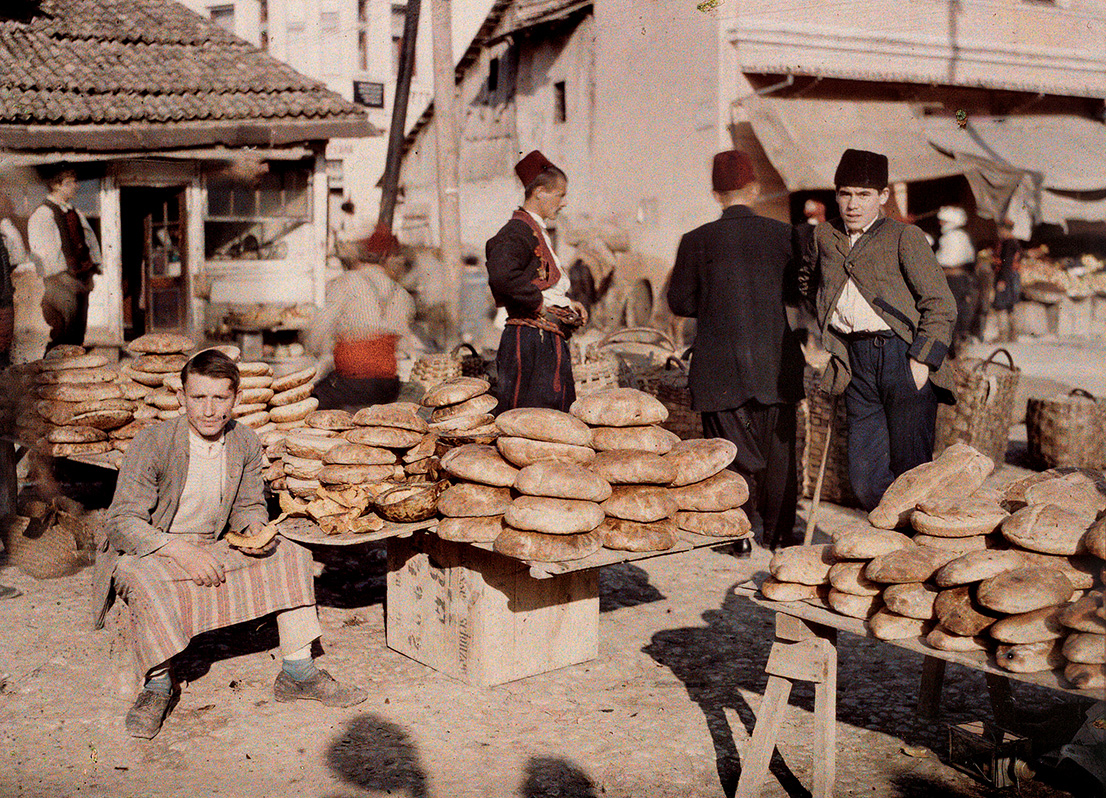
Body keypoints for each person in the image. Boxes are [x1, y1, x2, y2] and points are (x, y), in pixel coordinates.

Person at [95, 349, 365, 740]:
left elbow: (249, 505)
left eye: (220, 398)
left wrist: (255, 528)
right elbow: (122, 522)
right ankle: (157, 685)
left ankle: (298, 670)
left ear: (235, 399)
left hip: (213, 544)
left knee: (290, 554)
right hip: (153, 547)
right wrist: (178, 550)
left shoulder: (244, 441)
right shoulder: (152, 442)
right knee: (144, 579)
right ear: (181, 398)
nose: (208, 410)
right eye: (198, 397)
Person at [797, 149, 956, 511]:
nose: (853, 204)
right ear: (836, 195)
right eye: (845, 193)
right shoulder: (824, 236)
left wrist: (921, 363)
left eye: (864, 195)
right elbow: (806, 282)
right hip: (856, 363)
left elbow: (940, 304)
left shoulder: (905, 237)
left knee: (911, 475)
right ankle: (888, 545)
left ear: (883, 197)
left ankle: (911, 558)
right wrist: (829, 317)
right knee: (865, 480)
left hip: (903, 355)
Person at [667, 150, 805, 553]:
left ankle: (736, 534)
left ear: (715, 194)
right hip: (774, 360)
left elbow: (679, 302)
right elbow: (797, 294)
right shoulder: (783, 235)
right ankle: (778, 535)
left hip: (719, 362)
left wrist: (713, 301)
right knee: (779, 453)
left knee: (730, 450)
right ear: (755, 189)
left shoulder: (695, 240)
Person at [485, 150, 586, 414]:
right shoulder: (517, 231)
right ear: (539, 192)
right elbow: (502, 275)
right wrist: (539, 304)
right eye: (560, 195)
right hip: (530, 342)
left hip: (544, 340)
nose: (563, 203)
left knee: (555, 421)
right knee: (530, 419)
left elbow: (541, 280)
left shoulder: (535, 229)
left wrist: (567, 304)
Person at [306, 233, 415, 413]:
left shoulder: (347, 282)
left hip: (352, 382)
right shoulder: (402, 293)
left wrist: (315, 349)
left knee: (308, 403)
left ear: (358, 258)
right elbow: (404, 344)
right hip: (388, 387)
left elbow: (318, 329)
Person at [28, 164, 102, 350]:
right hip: (60, 281)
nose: (76, 186)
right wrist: (64, 278)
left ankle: (73, 369)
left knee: (78, 330)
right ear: (56, 186)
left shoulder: (73, 212)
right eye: (70, 183)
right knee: (63, 329)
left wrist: (92, 268)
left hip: (79, 278)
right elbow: (45, 254)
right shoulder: (44, 214)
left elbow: (88, 239)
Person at [934, 205, 977, 356]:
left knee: (951, 311)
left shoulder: (951, 237)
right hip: (961, 278)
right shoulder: (962, 236)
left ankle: (951, 346)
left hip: (953, 278)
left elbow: (946, 260)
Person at [991, 219, 1022, 343]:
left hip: (1006, 276)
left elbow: (1007, 263)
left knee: (1001, 305)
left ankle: (1003, 335)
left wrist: (1002, 280)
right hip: (1013, 276)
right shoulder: (1015, 242)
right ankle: (1013, 335)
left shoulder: (1008, 243)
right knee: (1010, 306)